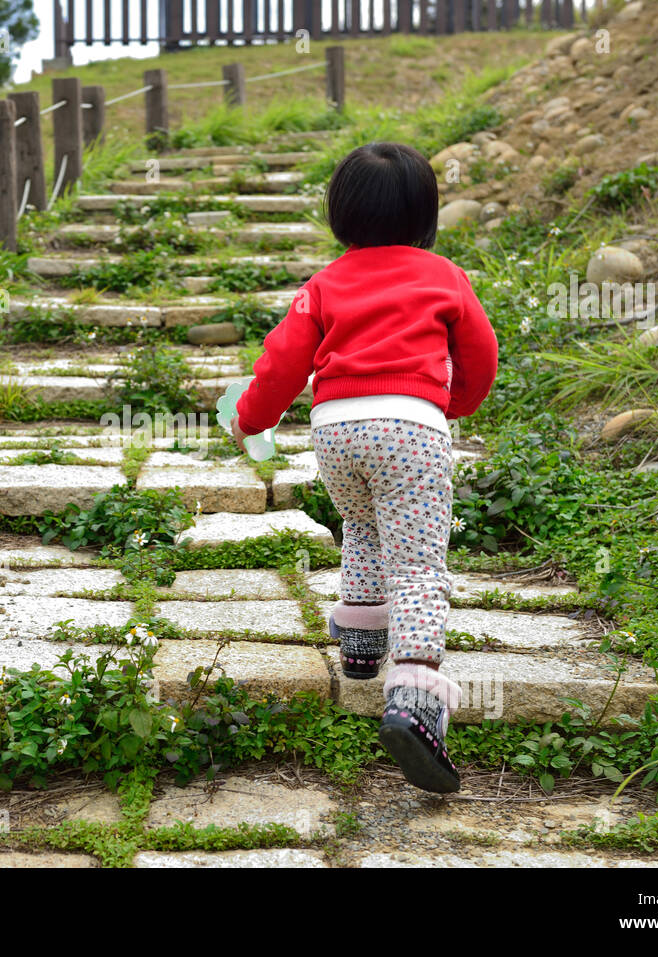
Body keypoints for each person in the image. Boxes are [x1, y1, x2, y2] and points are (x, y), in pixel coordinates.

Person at [231, 142, 498, 793]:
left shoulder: (323, 284)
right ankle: (415, 697)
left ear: (339, 218)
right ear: (426, 219)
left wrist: (250, 419)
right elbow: (480, 355)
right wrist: (449, 404)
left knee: (362, 524)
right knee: (417, 562)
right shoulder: (444, 276)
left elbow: (281, 362)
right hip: (409, 429)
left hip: (337, 432)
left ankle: (359, 645)